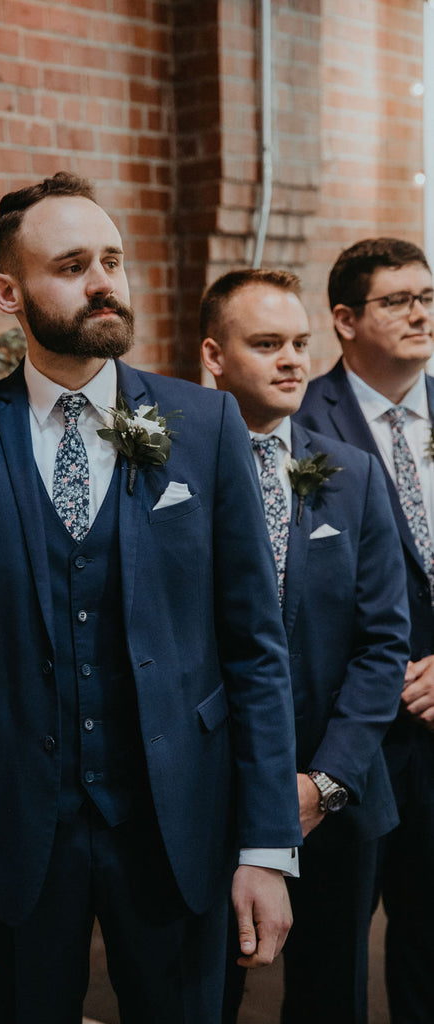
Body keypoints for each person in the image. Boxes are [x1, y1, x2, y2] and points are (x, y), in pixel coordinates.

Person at [0, 171, 302, 1024]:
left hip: (177, 825)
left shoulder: (207, 424)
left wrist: (267, 845)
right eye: (72, 265)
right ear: (10, 292)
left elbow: (255, 651)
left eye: (112, 260)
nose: (104, 283)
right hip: (15, 837)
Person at [200, 268, 410, 1024]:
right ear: (213, 356)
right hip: (208, 794)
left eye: (298, 342)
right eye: (265, 344)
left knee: (330, 992)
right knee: (202, 991)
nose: (291, 359)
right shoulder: (169, 474)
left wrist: (324, 783)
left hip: (336, 791)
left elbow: (383, 643)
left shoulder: (352, 475)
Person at [296, 237, 434, 1023]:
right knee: (329, 958)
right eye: (396, 300)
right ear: (344, 320)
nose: (419, 313)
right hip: (346, 733)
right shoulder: (299, 423)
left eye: (426, 296)